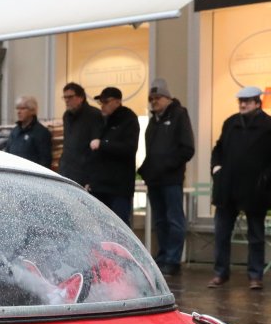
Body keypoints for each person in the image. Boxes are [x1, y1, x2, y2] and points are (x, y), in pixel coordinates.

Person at [209, 86, 271, 290]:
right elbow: (218, 148)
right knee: (221, 233)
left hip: (255, 188)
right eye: (240, 102)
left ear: (257, 103)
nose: (242, 105)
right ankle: (220, 273)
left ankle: (255, 275)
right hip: (227, 187)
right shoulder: (231, 123)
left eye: (247, 102)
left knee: (256, 235)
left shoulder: (270, 125)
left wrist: (267, 177)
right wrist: (216, 169)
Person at [139, 79, 196, 275]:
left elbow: (187, 149)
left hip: (171, 179)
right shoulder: (154, 121)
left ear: (167, 98)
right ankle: (163, 256)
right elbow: (151, 151)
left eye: (157, 97)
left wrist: (167, 166)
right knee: (160, 221)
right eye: (151, 98)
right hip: (155, 180)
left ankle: (173, 259)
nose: (154, 101)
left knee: (174, 219)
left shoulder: (179, 115)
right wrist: (145, 170)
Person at [88, 87, 140, 225]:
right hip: (99, 185)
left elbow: (129, 148)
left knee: (119, 226)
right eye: (100, 102)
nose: (102, 105)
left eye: (106, 102)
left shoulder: (128, 119)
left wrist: (103, 144)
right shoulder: (102, 120)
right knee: (100, 225)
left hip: (118, 187)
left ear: (117, 101)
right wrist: (91, 180)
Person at [56, 83, 102, 186]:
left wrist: (91, 178)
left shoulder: (94, 115)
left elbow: (95, 148)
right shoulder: (67, 116)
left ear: (81, 98)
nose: (66, 100)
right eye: (65, 97)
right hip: (67, 169)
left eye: (70, 97)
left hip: (85, 172)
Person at [3, 95, 51, 167]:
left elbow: (45, 160)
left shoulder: (41, 132)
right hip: (13, 171)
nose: (19, 112)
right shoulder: (14, 131)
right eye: (17, 108)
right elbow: (7, 153)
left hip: (31, 172)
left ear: (32, 110)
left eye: (22, 108)